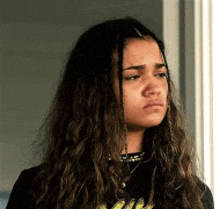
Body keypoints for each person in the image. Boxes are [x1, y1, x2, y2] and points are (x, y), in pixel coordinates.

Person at [6, 17, 214, 209]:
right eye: (133, 76)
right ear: (95, 90)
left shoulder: (191, 194)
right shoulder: (38, 188)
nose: (155, 88)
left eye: (160, 74)